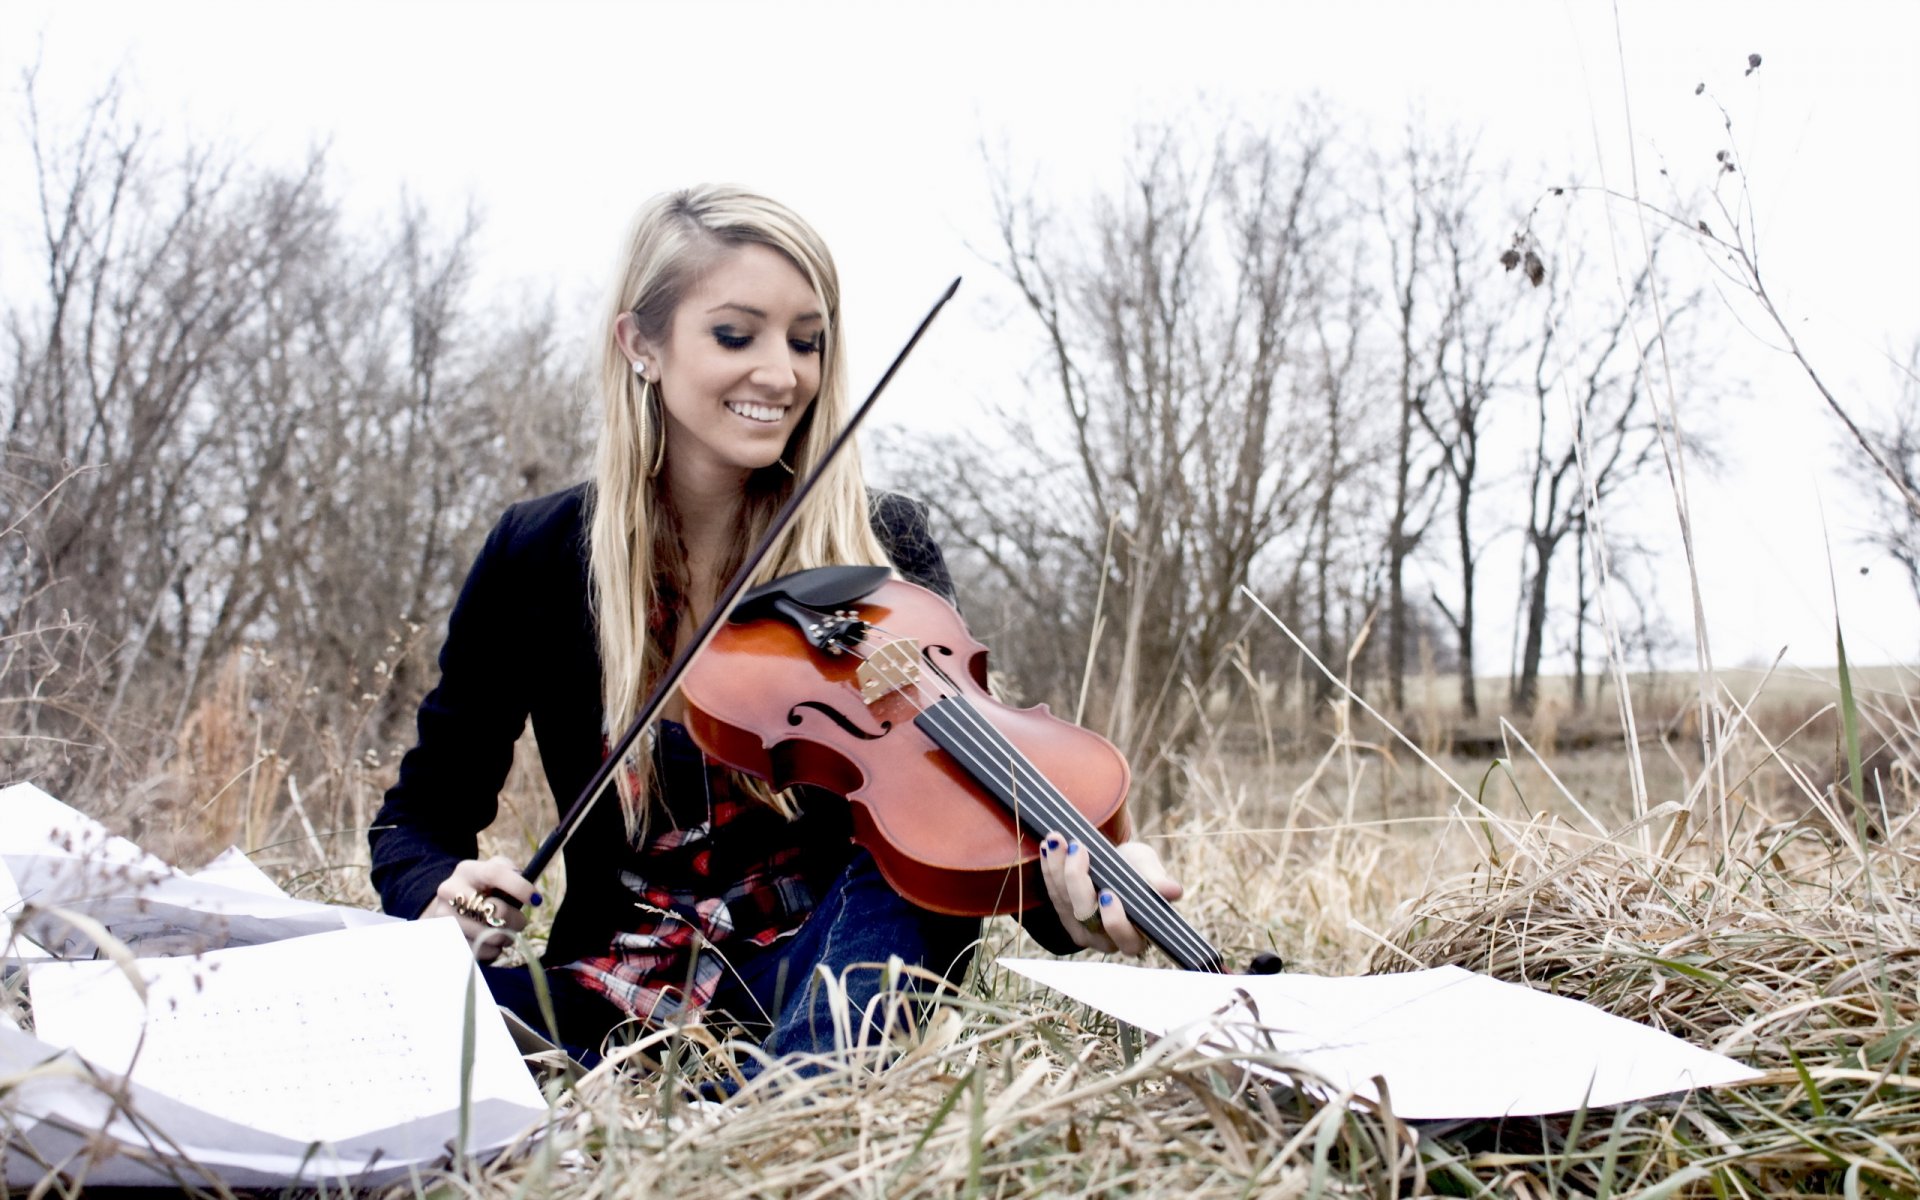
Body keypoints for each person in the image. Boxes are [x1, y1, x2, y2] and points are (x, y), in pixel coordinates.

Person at [370, 185, 1181, 1067]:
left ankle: (790, 1101)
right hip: (610, 982)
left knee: (907, 875)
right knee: (384, 1009)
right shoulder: (537, 553)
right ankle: (745, 1094)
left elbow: (962, 809)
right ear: (641, 343)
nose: (782, 373)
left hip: (828, 965)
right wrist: (436, 891)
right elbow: (420, 816)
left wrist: (1083, 890)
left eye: (807, 341)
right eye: (735, 334)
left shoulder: (884, 545)